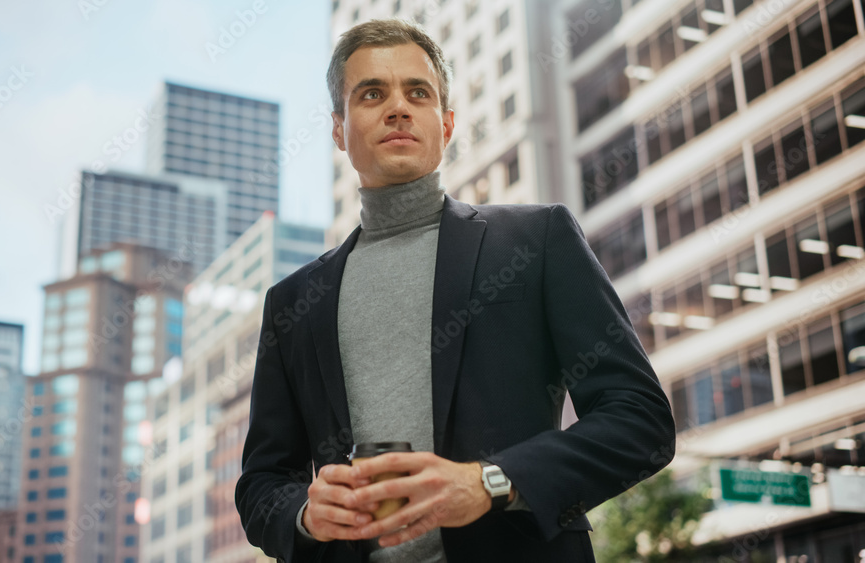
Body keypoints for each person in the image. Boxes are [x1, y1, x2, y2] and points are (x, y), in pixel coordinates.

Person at [235, 18, 675, 563]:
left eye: (417, 92)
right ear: (337, 129)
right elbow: (260, 483)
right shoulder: (292, 303)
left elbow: (640, 419)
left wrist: (492, 483)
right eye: (371, 93)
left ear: (444, 125)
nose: (397, 107)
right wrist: (305, 513)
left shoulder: (537, 240)